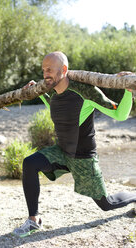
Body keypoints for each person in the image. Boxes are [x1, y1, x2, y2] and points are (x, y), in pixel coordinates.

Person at [12, 51, 136, 237]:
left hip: (84, 158)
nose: (45, 73)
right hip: (62, 152)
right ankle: (33, 220)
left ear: (63, 70)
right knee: (30, 163)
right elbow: (55, 106)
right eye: (43, 69)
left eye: (50, 69)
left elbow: (120, 115)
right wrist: (35, 92)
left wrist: (128, 90)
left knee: (107, 204)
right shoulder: (50, 91)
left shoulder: (85, 91)